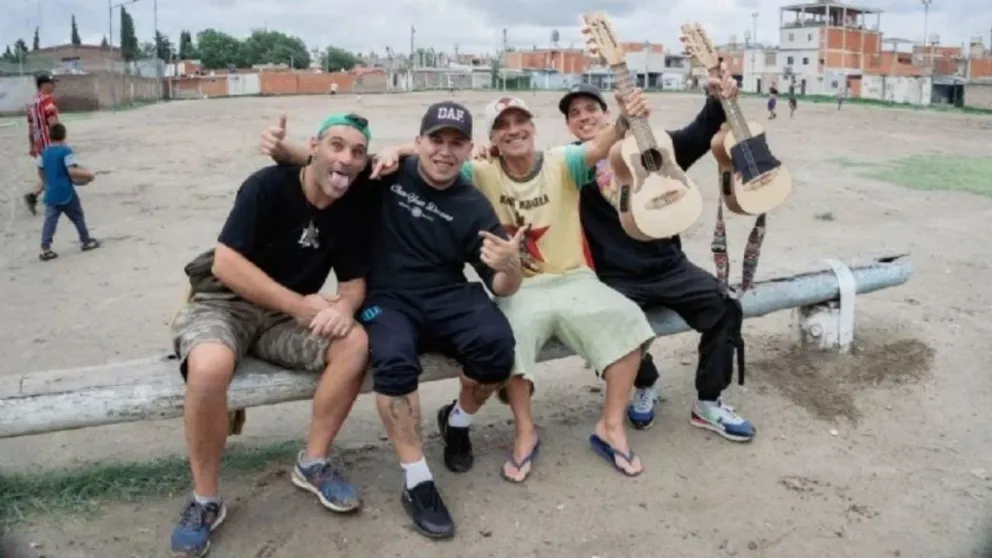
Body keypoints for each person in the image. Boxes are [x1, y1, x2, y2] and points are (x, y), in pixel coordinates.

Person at [260, 102, 524, 540]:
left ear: (469, 150)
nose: (444, 152)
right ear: (417, 142)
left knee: (498, 350)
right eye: (435, 140)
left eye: (456, 143)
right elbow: (329, 168)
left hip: (446, 293)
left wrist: (512, 266)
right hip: (387, 298)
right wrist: (280, 148)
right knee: (396, 365)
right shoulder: (385, 174)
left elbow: (501, 285)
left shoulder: (473, 205)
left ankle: (456, 421)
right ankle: (417, 479)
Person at [169, 113, 389, 557]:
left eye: (357, 152)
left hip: (283, 319)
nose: (346, 159)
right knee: (210, 367)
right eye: (336, 146)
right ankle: (206, 498)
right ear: (313, 146)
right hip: (224, 304)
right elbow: (225, 264)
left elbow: (351, 285)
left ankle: (313, 461)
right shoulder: (267, 186)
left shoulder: (352, 207)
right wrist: (300, 305)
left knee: (354, 342)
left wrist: (343, 308)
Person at [457, 92, 656, 483]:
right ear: (492, 138)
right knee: (510, 335)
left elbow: (600, 144)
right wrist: (398, 152)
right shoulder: (480, 172)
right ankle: (525, 430)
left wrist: (623, 119)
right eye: (502, 126)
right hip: (518, 286)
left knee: (629, 319)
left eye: (520, 122)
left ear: (533, 126)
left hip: (573, 277)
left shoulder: (561, 162)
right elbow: (437, 161)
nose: (514, 131)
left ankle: (610, 426)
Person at [554, 81, 755, 442]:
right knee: (613, 325)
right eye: (574, 113)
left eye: (590, 109)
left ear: (605, 113)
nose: (584, 117)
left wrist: (716, 94)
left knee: (725, 306)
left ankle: (708, 401)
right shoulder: (570, 165)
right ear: (569, 125)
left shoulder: (650, 147)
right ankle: (644, 383)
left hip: (669, 265)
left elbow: (699, 133)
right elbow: (524, 175)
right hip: (616, 275)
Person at [36, 123, 101, 261]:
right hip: (66, 192)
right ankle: (86, 240)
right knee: (77, 216)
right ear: (64, 135)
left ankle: (45, 249)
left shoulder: (44, 152)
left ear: (50, 136)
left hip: (51, 192)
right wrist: (88, 174)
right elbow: (71, 170)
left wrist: (46, 183)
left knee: (50, 221)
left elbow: (40, 169)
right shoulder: (66, 151)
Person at [24, 73, 61, 216]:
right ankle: (36, 196)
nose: (54, 85)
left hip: (40, 145)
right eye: (52, 83)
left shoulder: (32, 103)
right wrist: (60, 142)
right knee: (55, 173)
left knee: (49, 174)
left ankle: (34, 196)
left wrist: (32, 145)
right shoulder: (47, 100)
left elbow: (30, 127)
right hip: (50, 144)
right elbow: (53, 123)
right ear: (44, 85)